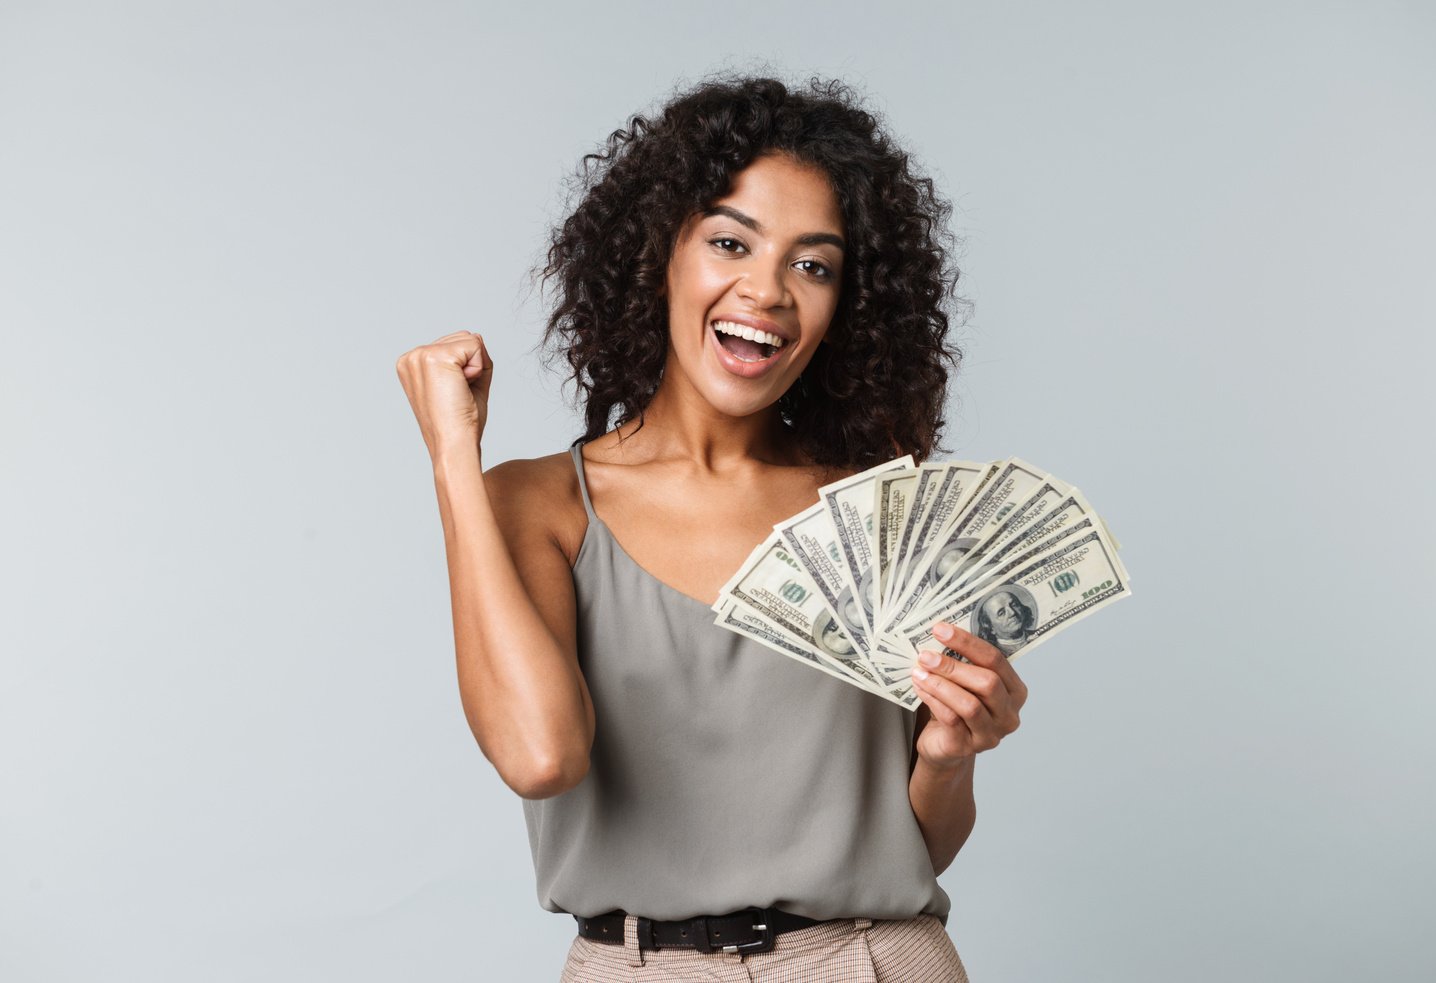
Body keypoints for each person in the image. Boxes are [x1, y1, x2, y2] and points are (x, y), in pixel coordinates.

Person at [396, 74, 1029, 982]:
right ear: (659, 254)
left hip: (872, 959)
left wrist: (948, 755)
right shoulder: (537, 504)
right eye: (731, 242)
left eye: (813, 264)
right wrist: (453, 460)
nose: (767, 290)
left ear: (846, 304)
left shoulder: (876, 503)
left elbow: (921, 844)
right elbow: (542, 755)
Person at [970, 585, 1039, 656]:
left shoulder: (1038, 633)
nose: (1012, 612)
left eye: (1014, 605)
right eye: (1001, 613)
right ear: (991, 628)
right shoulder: (993, 655)